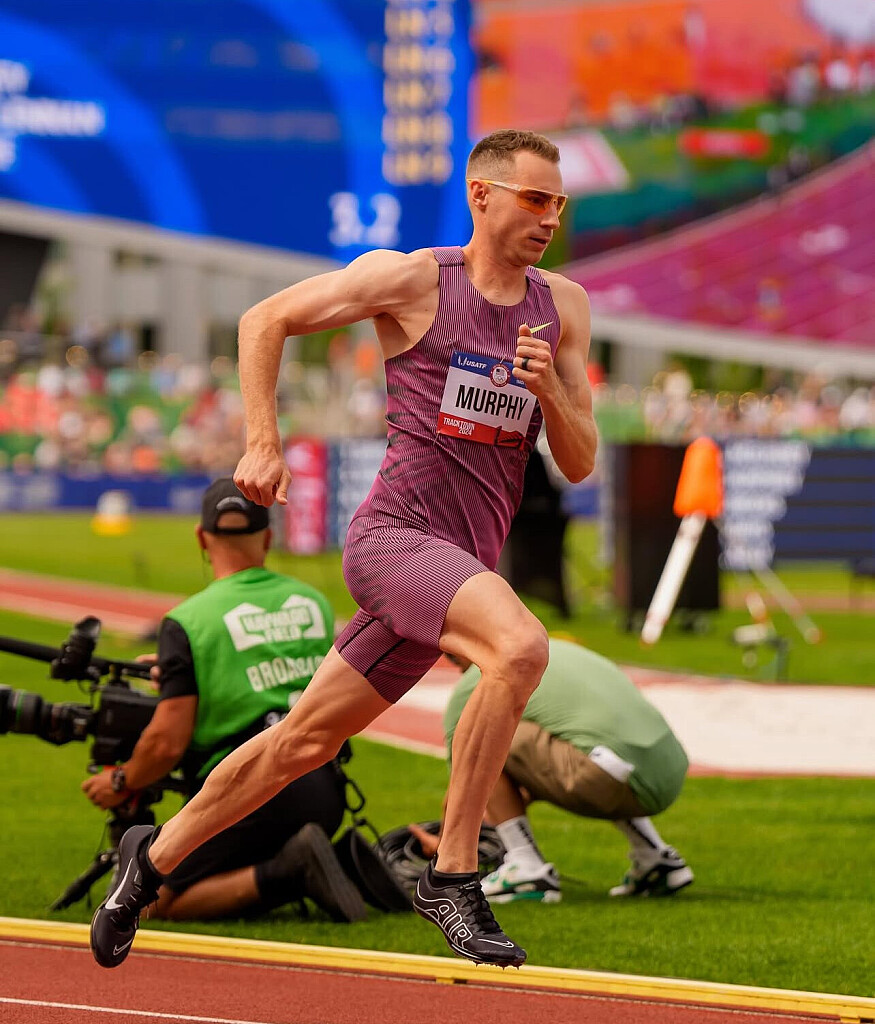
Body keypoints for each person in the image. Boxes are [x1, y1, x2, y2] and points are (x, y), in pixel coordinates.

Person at [90, 128, 597, 969]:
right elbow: (265, 319)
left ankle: (149, 863)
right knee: (518, 648)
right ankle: (453, 875)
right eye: (534, 199)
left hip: (457, 566)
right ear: (481, 196)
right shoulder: (412, 279)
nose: (549, 218)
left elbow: (578, 462)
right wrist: (262, 441)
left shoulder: (563, 308)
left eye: (558, 203)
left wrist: (549, 391)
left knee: (301, 743)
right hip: (394, 541)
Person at [82, 478, 366, 928]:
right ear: (267, 538)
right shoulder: (311, 602)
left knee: (150, 899)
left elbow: (166, 744)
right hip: (325, 789)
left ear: (201, 537)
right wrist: (180, 671)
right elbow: (270, 665)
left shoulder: (188, 620)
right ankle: (317, 858)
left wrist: (121, 780)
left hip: (245, 791)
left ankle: (292, 870)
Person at [428, 639, 692, 903]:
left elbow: (466, 780)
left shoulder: (480, 679)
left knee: (488, 741)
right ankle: (654, 854)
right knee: (597, 745)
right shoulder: (553, 648)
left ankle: (526, 864)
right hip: (668, 771)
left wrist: (443, 847)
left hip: (606, 775)